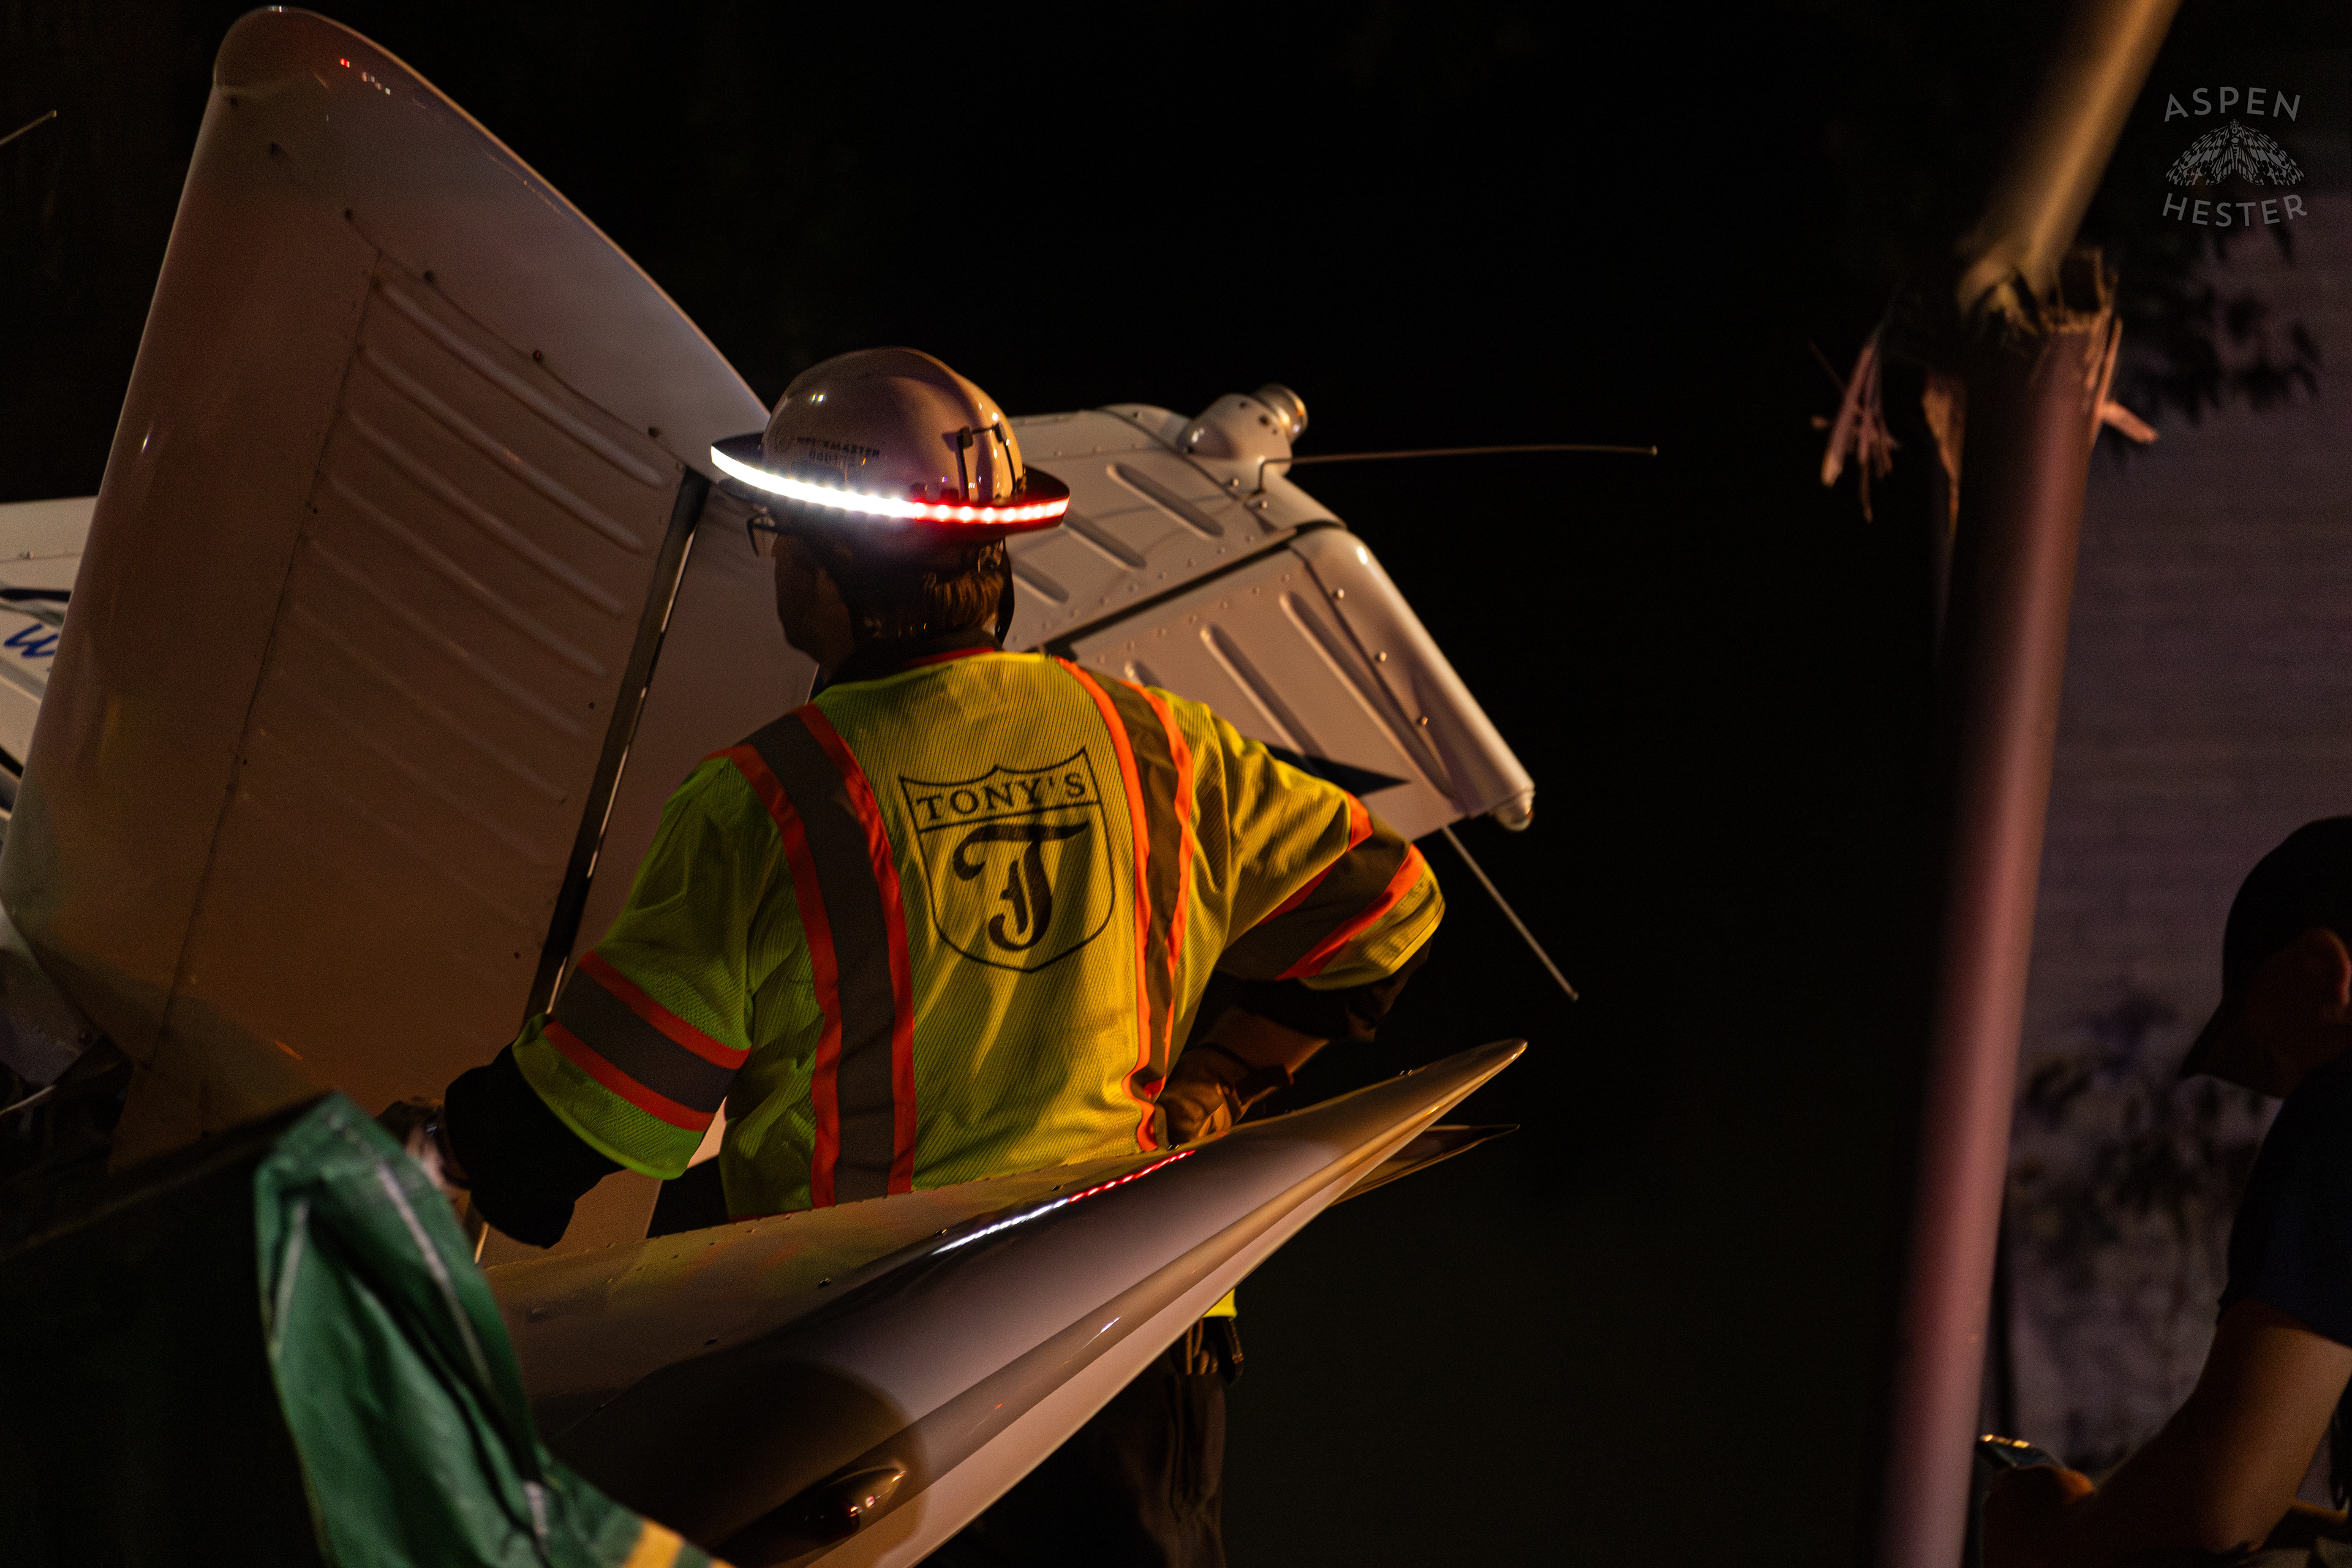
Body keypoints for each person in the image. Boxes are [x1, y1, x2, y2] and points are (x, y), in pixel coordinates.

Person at [426, 347, 1443, 1566]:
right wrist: (1220, 1083)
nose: (779, 561)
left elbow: (601, 1100)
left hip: (883, 1370)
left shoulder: (772, 799)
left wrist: (452, 1147)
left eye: (781, 534)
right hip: (1136, 1335)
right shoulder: (1153, 742)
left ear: (832, 562)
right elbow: (1388, 900)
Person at [1987, 818, 2352, 1567]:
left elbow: (2214, 1511)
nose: (2283, 1092)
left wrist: (2051, 1540)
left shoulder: (2343, 1110)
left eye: (2270, 1053)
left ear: (2326, 973)